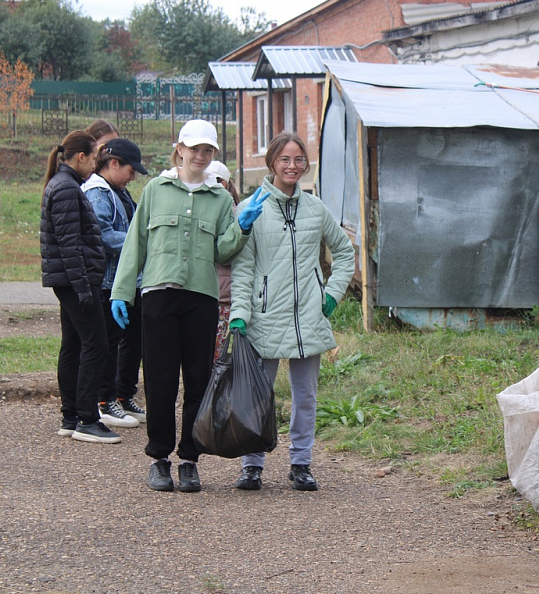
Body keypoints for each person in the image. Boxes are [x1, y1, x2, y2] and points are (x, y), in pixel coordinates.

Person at [110, 119, 262, 493]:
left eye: (207, 150)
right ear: (179, 149)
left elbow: (222, 252)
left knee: (198, 381)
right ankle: (159, 459)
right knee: (160, 381)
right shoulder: (156, 190)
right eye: (194, 149)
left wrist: (241, 227)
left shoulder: (220, 199)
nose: (200, 156)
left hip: (201, 299)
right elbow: (135, 243)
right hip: (159, 296)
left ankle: (189, 460)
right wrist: (121, 291)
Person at [230, 132, 355, 492]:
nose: (292, 166)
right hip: (265, 315)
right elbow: (243, 268)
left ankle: (301, 463)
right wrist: (240, 312)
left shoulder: (316, 208)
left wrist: (331, 295)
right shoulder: (251, 208)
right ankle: (252, 465)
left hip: (308, 318)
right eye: (284, 159)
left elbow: (344, 252)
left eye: (299, 159)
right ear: (272, 162)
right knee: (258, 394)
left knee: (306, 397)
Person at [40, 130, 121, 444]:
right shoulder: (66, 188)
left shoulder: (65, 185)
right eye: (94, 157)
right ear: (82, 157)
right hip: (75, 281)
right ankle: (87, 418)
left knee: (73, 345)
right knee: (96, 345)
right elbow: (69, 244)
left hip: (72, 280)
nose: (96, 164)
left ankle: (71, 416)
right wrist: (84, 288)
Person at [82, 138, 149, 429]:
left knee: (133, 341)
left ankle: (123, 395)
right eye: (130, 170)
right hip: (109, 283)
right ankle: (104, 400)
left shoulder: (118, 191)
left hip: (129, 280)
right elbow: (103, 235)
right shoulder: (98, 193)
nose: (132, 176)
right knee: (109, 343)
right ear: (113, 163)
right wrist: (142, 245)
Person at [204, 160, 239, 362]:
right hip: (216, 293)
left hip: (222, 295)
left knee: (216, 355)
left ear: (223, 184)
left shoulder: (231, 212)